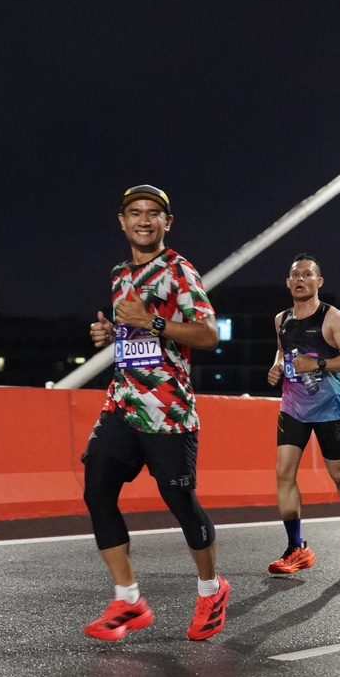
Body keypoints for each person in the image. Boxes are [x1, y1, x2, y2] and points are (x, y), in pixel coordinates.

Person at [82, 184, 229, 641]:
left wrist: (154, 322)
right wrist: (112, 334)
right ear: (121, 221)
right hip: (123, 402)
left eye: (153, 213)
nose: (143, 220)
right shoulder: (119, 274)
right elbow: (135, 335)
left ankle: (211, 589)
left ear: (167, 222)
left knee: (180, 503)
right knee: (97, 491)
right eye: (135, 213)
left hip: (168, 408)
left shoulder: (180, 271)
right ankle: (128, 600)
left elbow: (208, 335)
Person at [266, 254, 340, 573]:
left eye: (307, 274)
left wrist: (319, 363)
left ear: (318, 282)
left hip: (328, 406)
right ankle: (296, 548)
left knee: (339, 474)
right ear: (288, 283)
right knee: (284, 473)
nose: (301, 278)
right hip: (293, 406)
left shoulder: (332, 317)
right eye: (295, 274)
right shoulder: (281, 319)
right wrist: (276, 366)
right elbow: (283, 350)